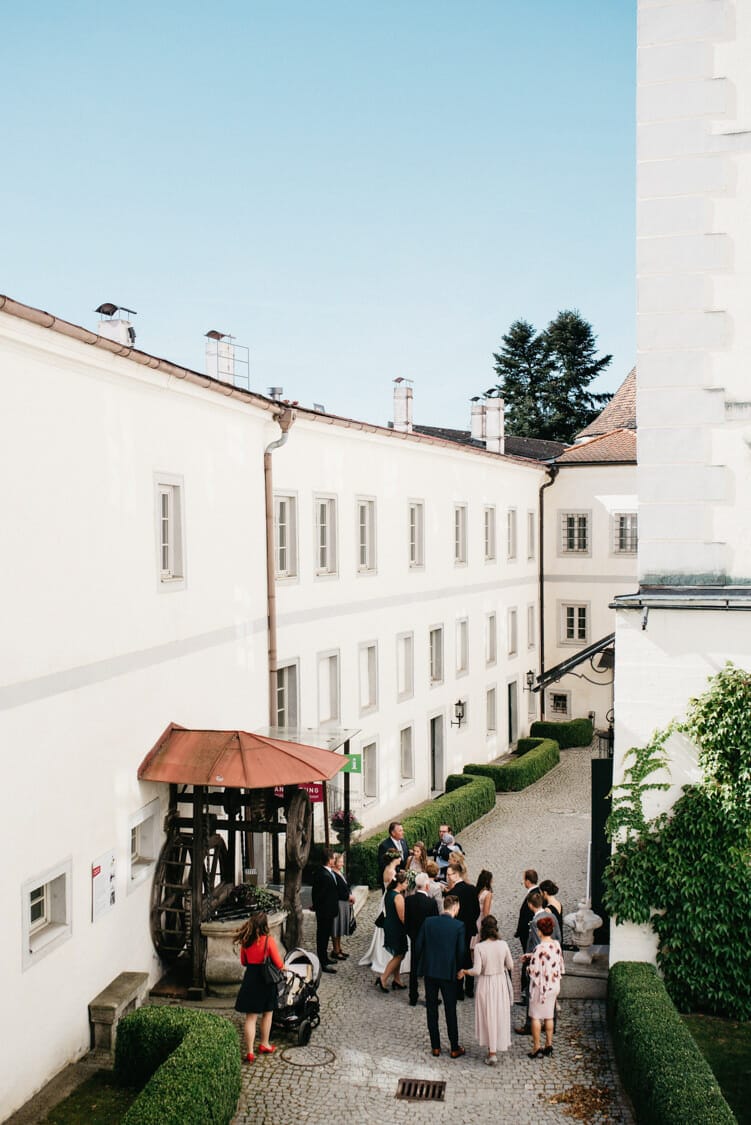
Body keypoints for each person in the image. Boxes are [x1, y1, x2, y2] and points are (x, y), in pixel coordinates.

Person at [414, 894, 466, 1058]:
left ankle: (435, 1046)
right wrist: (460, 970)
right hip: (448, 973)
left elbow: (418, 946)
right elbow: (461, 952)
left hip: (430, 971)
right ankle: (453, 1047)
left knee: (431, 1009)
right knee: (450, 1010)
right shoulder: (459, 926)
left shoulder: (429, 922)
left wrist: (422, 964)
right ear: (455, 907)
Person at [459, 914, 513, 1065]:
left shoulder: (479, 947)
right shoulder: (503, 945)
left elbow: (476, 970)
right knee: (498, 1014)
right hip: (500, 982)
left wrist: (464, 971)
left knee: (488, 1015)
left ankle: (492, 1052)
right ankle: (494, 1050)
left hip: (485, 984)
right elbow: (511, 965)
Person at [233, 912, 285, 1062]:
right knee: (267, 1014)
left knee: (250, 1017)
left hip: (251, 980)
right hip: (266, 981)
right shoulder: (269, 941)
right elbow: (279, 964)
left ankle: (249, 1052)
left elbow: (244, 962)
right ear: (265, 926)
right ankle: (264, 1044)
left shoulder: (246, 941)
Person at [526, 915, 565, 1058]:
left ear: (540, 931)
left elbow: (534, 970)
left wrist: (527, 967)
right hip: (554, 985)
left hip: (541, 986)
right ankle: (549, 1044)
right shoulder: (556, 945)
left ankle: (536, 1047)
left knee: (536, 1016)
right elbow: (558, 963)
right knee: (549, 1015)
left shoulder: (539, 948)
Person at [404, 871, 439, 1005]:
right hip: (428, 939)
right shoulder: (431, 903)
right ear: (427, 886)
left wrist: (412, 935)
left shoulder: (409, 900)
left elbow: (406, 921)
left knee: (414, 967)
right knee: (428, 968)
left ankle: (413, 996)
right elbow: (434, 922)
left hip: (414, 937)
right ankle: (430, 997)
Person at [446, 867, 480, 999]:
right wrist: (470, 922)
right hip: (469, 928)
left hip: (457, 929)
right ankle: (470, 988)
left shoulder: (453, 893)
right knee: (467, 957)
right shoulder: (472, 889)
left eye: (449, 875)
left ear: (456, 874)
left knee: (458, 957)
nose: (448, 877)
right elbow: (477, 910)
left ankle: (459, 990)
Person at [376, 869, 409, 991]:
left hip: (389, 925)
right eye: (406, 883)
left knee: (398, 953)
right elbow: (402, 917)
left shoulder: (389, 893)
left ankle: (397, 979)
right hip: (396, 928)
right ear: (399, 883)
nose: (407, 885)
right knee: (399, 954)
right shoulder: (398, 896)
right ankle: (383, 977)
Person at [311, 848, 340, 973]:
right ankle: (322, 962)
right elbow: (318, 894)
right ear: (329, 860)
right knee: (322, 937)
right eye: (333, 857)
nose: (335, 859)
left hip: (329, 910)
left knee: (326, 935)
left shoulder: (328, 872)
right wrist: (317, 907)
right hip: (324, 912)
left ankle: (325, 958)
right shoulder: (323, 874)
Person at [330, 852, 355, 961]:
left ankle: (339, 948)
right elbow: (337, 891)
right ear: (334, 863)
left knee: (340, 928)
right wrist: (348, 896)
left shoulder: (339, 873)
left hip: (344, 903)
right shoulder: (333, 874)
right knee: (336, 927)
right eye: (340, 862)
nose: (342, 864)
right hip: (338, 903)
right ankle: (335, 950)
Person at [471, 870, 494, 950]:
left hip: (474, 918)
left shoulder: (476, 891)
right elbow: (486, 912)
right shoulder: (488, 894)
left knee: (472, 944)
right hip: (481, 920)